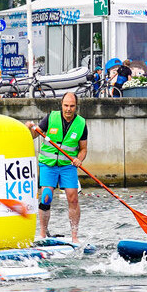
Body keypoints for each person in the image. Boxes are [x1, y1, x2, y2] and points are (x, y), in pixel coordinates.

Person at [29, 91, 86, 243]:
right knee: (46, 196)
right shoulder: (51, 117)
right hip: (48, 165)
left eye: (72, 106)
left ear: (76, 106)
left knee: (73, 198)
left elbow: (83, 149)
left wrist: (79, 160)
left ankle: (74, 236)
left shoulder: (81, 123)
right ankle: (42, 234)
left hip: (68, 166)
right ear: (61, 105)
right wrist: (30, 128)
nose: (68, 109)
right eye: (66, 105)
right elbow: (34, 135)